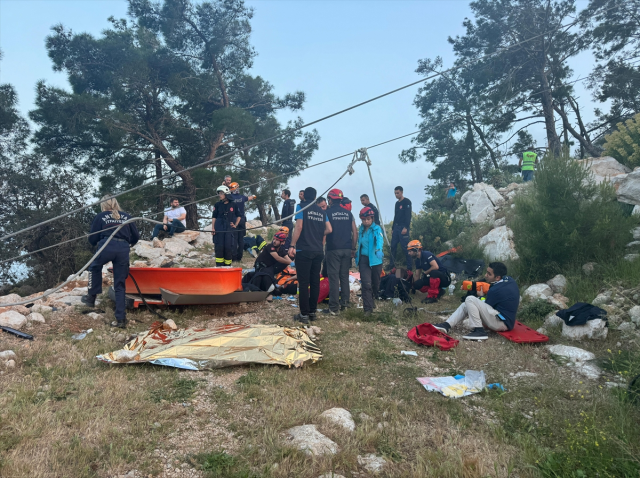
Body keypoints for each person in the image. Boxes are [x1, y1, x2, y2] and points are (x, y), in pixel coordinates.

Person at [82, 196, 140, 329]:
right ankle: (121, 319)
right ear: (116, 203)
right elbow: (136, 237)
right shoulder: (127, 216)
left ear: (104, 205)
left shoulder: (101, 216)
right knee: (119, 284)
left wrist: (96, 242)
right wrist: (126, 244)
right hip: (123, 249)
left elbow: (92, 239)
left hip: (106, 246)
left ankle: (91, 298)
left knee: (94, 267)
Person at [433, 262, 520, 341]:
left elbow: (486, 306)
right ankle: (447, 325)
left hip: (502, 323)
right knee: (466, 304)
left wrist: (481, 296)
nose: (486, 275)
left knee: (470, 299)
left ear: (497, 277)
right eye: (487, 272)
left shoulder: (495, 290)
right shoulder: (509, 280)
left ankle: (479, 331)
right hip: (506, 319)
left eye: (489, 274)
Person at [288, 187, 332, 324]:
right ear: (315, 197)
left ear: (304, 196)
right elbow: (329, 229)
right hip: (318, 251)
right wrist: (317, 235)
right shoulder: (321, 211)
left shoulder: (301, 207)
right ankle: (312, 312)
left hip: (304, 250)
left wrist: (292, 245)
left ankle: (304, 314)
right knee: (314, 282)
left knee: (303, 282)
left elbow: (299, 227)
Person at [322, 189, 357, 316]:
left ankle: (333, 308)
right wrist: (353, 248)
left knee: (333, 278)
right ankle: (345, 303)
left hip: (333, 249)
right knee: (344, 277)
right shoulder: (349, 214)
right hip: (347, 249)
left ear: (330, 199)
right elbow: (355, 232)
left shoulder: (327, 213)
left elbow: (324, 231)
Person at [242, 232, 292, 297]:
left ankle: (270, 287)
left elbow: (288, 260)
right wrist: (290, 263)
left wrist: (292, 263)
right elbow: (277, 258)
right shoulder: (270, 247)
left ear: (282, 242)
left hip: (270, 267)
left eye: (277, 240)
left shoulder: (281, 250)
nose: (274, 241)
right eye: (274, 239)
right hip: (261, 266)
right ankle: (270, 290)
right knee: (267, 273)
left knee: (283, 263)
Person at [355, 207, 384, 316]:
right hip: (364, 259)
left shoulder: (376, 229)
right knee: (366, 283)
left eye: (368, 219)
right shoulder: (361, 230)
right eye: (363, 219)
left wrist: (379, 249)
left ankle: (373, 299)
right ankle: (367, 308)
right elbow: (359, 242)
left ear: (372, 218)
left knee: (375, 284)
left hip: (376, 259)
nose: (366, 221)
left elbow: (379, 239)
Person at [212, 185, 240, 267]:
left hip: (229, 228)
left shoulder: (233, 204)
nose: (219, 195)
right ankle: (219, 266)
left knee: (228, 247)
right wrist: (213, 228)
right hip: (219, 227)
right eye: (219, 193)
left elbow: (239, 215)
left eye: (221, 193)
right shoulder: (217, 205)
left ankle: (228, 266)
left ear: (226, 194)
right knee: (219, 247)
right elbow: (214, 217)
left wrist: (235, 225)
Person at [229, 182, 256, 261]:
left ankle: (234, 258)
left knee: (234, 239)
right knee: (240, 239)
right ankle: (239, 257)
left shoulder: (230, 197)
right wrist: (254, 196)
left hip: (233, 220)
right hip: (242, 220)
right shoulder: (242, 197)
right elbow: (249, 198)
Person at [388, 186, 413, 271]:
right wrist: (393, 228)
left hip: (403, 227)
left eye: (397, 193)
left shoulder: (407, 202)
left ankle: (409, 266)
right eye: (395, 193)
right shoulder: (397, 203)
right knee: (393, 246)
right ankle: (392, 265)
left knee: (405, 247)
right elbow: (395, 216)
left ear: (402, 192)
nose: (396, 195)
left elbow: (408, 215)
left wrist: (406, 227)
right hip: (396, 227)